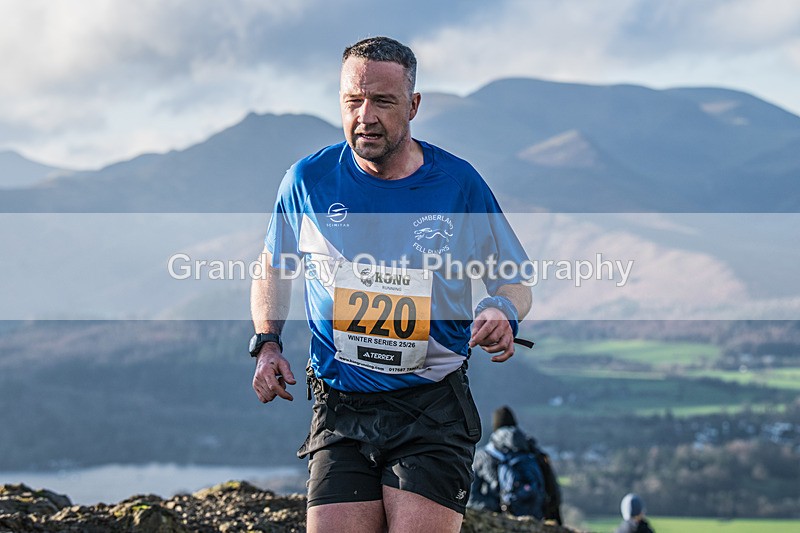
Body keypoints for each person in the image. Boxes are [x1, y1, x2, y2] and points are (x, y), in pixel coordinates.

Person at [250, 36, 532, 533]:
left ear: (413, 105)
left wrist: (502, 312)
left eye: (382, 101)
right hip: (341, 404)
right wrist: (268, 342)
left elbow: (515, 278)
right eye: (353, 101)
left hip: (431, 406)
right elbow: (273, 267)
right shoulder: (307, 181)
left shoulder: (457, 184)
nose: (366, 116)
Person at [468, 406, 562, 524]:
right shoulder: (533, 451)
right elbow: (553, 493)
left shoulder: (484, 456)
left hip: (500, 518)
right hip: (535, 517)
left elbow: (471, 496)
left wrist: (496, 508)